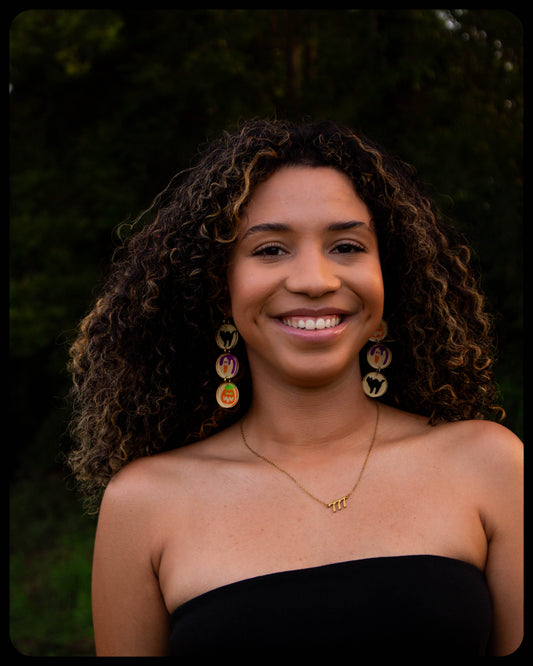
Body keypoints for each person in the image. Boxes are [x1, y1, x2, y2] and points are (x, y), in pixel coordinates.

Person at [67, 119, 523, 656]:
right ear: (219, 288)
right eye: (270, 250)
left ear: (390, 278)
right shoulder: (143, 504)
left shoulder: (491, 465)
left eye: (347, 246)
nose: (314, 280)